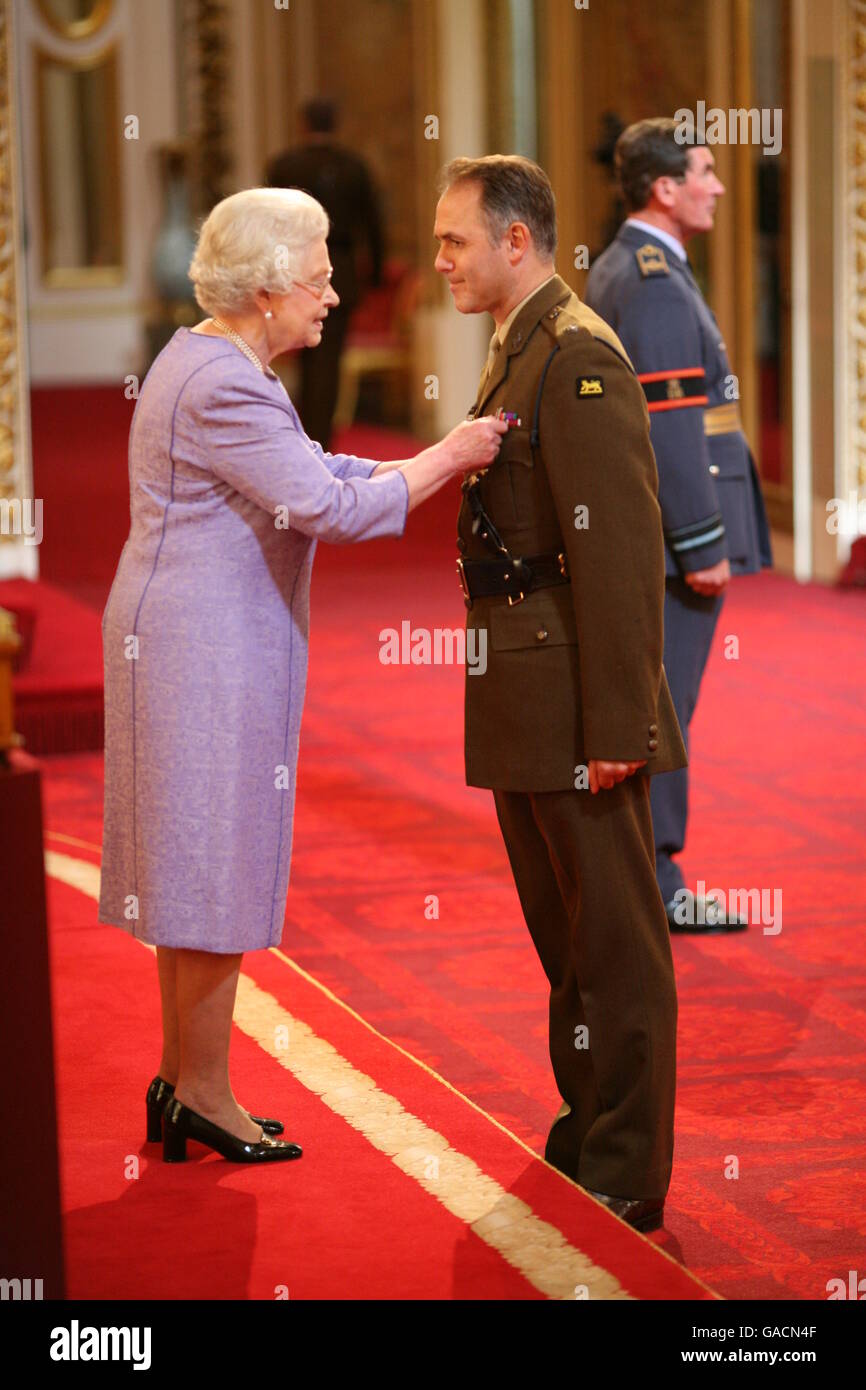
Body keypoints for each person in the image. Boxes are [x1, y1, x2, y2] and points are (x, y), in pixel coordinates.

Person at [97, 186, 506, 1166]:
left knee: (194, 868)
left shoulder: (205, 358)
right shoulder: (226, 382)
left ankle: (184, 1083)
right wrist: (449, 455)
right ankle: (200, 1089)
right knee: (211, 866)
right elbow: (330, 507)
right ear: (271, 286)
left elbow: (312, 468)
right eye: (320, 279)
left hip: (187, 635)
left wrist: (405, 463)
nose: (333, 296)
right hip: (201, 647)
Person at [434, 155, 687, 1231]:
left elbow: (624, 560)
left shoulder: (577, 357)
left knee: (616, 945)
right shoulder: (519, 344)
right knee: (563, 937)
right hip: (523, 692)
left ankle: (628, 1160)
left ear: (515, 243)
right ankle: (587, 1123)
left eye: (454, 239)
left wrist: (619, 725)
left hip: (576, 701)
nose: (439, 257)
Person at [584, 118, 772, 934]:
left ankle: (640, 877)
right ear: (665, 188)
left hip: (651, 536)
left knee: (651, 706)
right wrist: (702, 543)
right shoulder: (654, 277)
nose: (718, 186)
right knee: (664, 712)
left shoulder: (627, 263)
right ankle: (657, 882)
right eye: (705, 172)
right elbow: (671, 425)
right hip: (673, 542)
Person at [265, 98, 384, 450]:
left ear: (303, 124)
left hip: (294, 270)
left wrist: (272, 272)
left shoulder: (285, 166)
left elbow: (268, 222)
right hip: (342, 271)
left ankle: (300, 434)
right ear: (336, 124)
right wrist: (374, 275)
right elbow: (374, 225)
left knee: (304, 354)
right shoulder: (355, 167)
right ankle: (322, 440)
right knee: (330, 359)